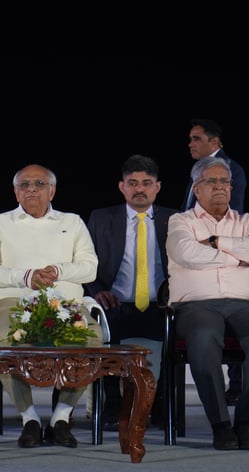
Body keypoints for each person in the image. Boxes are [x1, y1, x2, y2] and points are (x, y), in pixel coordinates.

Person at [0, 164, 103, 449]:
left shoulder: (72, 221)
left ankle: (60, 417)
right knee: (4, 342)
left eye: (39, 184)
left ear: (52, 190)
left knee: (92, 339)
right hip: (12, 301)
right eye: (25, 184)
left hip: (64, 302)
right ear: (16, 191)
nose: (32, 189)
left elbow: (90, 268)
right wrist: (26, 277)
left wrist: (57, 271)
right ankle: (29, 418)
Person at [165, 155, 249, 451]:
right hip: (196, 306)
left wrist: (216, 242)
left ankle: (246, 423)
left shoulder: (247, 221)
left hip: (244, 304)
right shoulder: (180, 221)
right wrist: (239, 256)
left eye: (224, 182)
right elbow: (187, 253)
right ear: (196, 188)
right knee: (203, 336)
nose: (219, 187)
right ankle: (220, 425)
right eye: (211, 181)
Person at [84, 154, 177, 431]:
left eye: (147, 183)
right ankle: (112, 400)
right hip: (115, 302)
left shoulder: (174, 219)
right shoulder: (101, 218)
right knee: (103, 326)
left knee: (175, 329)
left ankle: (159, 400)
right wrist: (98, 291)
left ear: (157, 187)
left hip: (160, 304)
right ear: (122, 186)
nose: (140, 189)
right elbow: (87, 262)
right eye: (133, 183)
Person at [182, 118, 247, 405]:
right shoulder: (199, 171)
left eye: (196, 138)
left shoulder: (228, 169)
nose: (190, 144)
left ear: (215, 142)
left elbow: (231, 213)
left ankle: (236, 385)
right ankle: (226, 385)